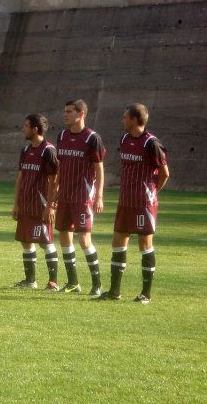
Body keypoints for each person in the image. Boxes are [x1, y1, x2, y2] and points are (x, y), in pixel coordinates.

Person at [96, 104, 170, 304]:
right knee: (118, 242)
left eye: (125, 117)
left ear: (135, 120)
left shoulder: (151, 143)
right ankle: (114, 292)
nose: (122, 120)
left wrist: (152, 193)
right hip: (125, 202)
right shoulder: (124, 139)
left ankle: (146, 294)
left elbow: (165, 173)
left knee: (145, 245)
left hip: (143, 203)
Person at [55, 99, 106, 295]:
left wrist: (99, 196)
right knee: (64, 236)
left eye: (69, 111)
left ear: (81, 113)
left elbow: (99, 170)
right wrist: (55, 190)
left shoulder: (92, 138)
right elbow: (60, 166)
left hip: (83, 197)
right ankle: (73, 283)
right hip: (64, 195)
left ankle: (97, 284)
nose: (65, 115)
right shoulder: (62, 135)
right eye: (65, 111)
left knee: (84, 240)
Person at [11, 114, 60, 290]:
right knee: (25, 240)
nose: (23, 129)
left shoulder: (48, 151)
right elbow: (21, 177)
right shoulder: (25, 150)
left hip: (41, 205)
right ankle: (30, 281)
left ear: (35, 129)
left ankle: (53, 282)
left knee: (45, 242)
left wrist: (51, 205)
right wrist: (16, 203)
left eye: (26, 126)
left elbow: (55, 180)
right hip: (26, 203)